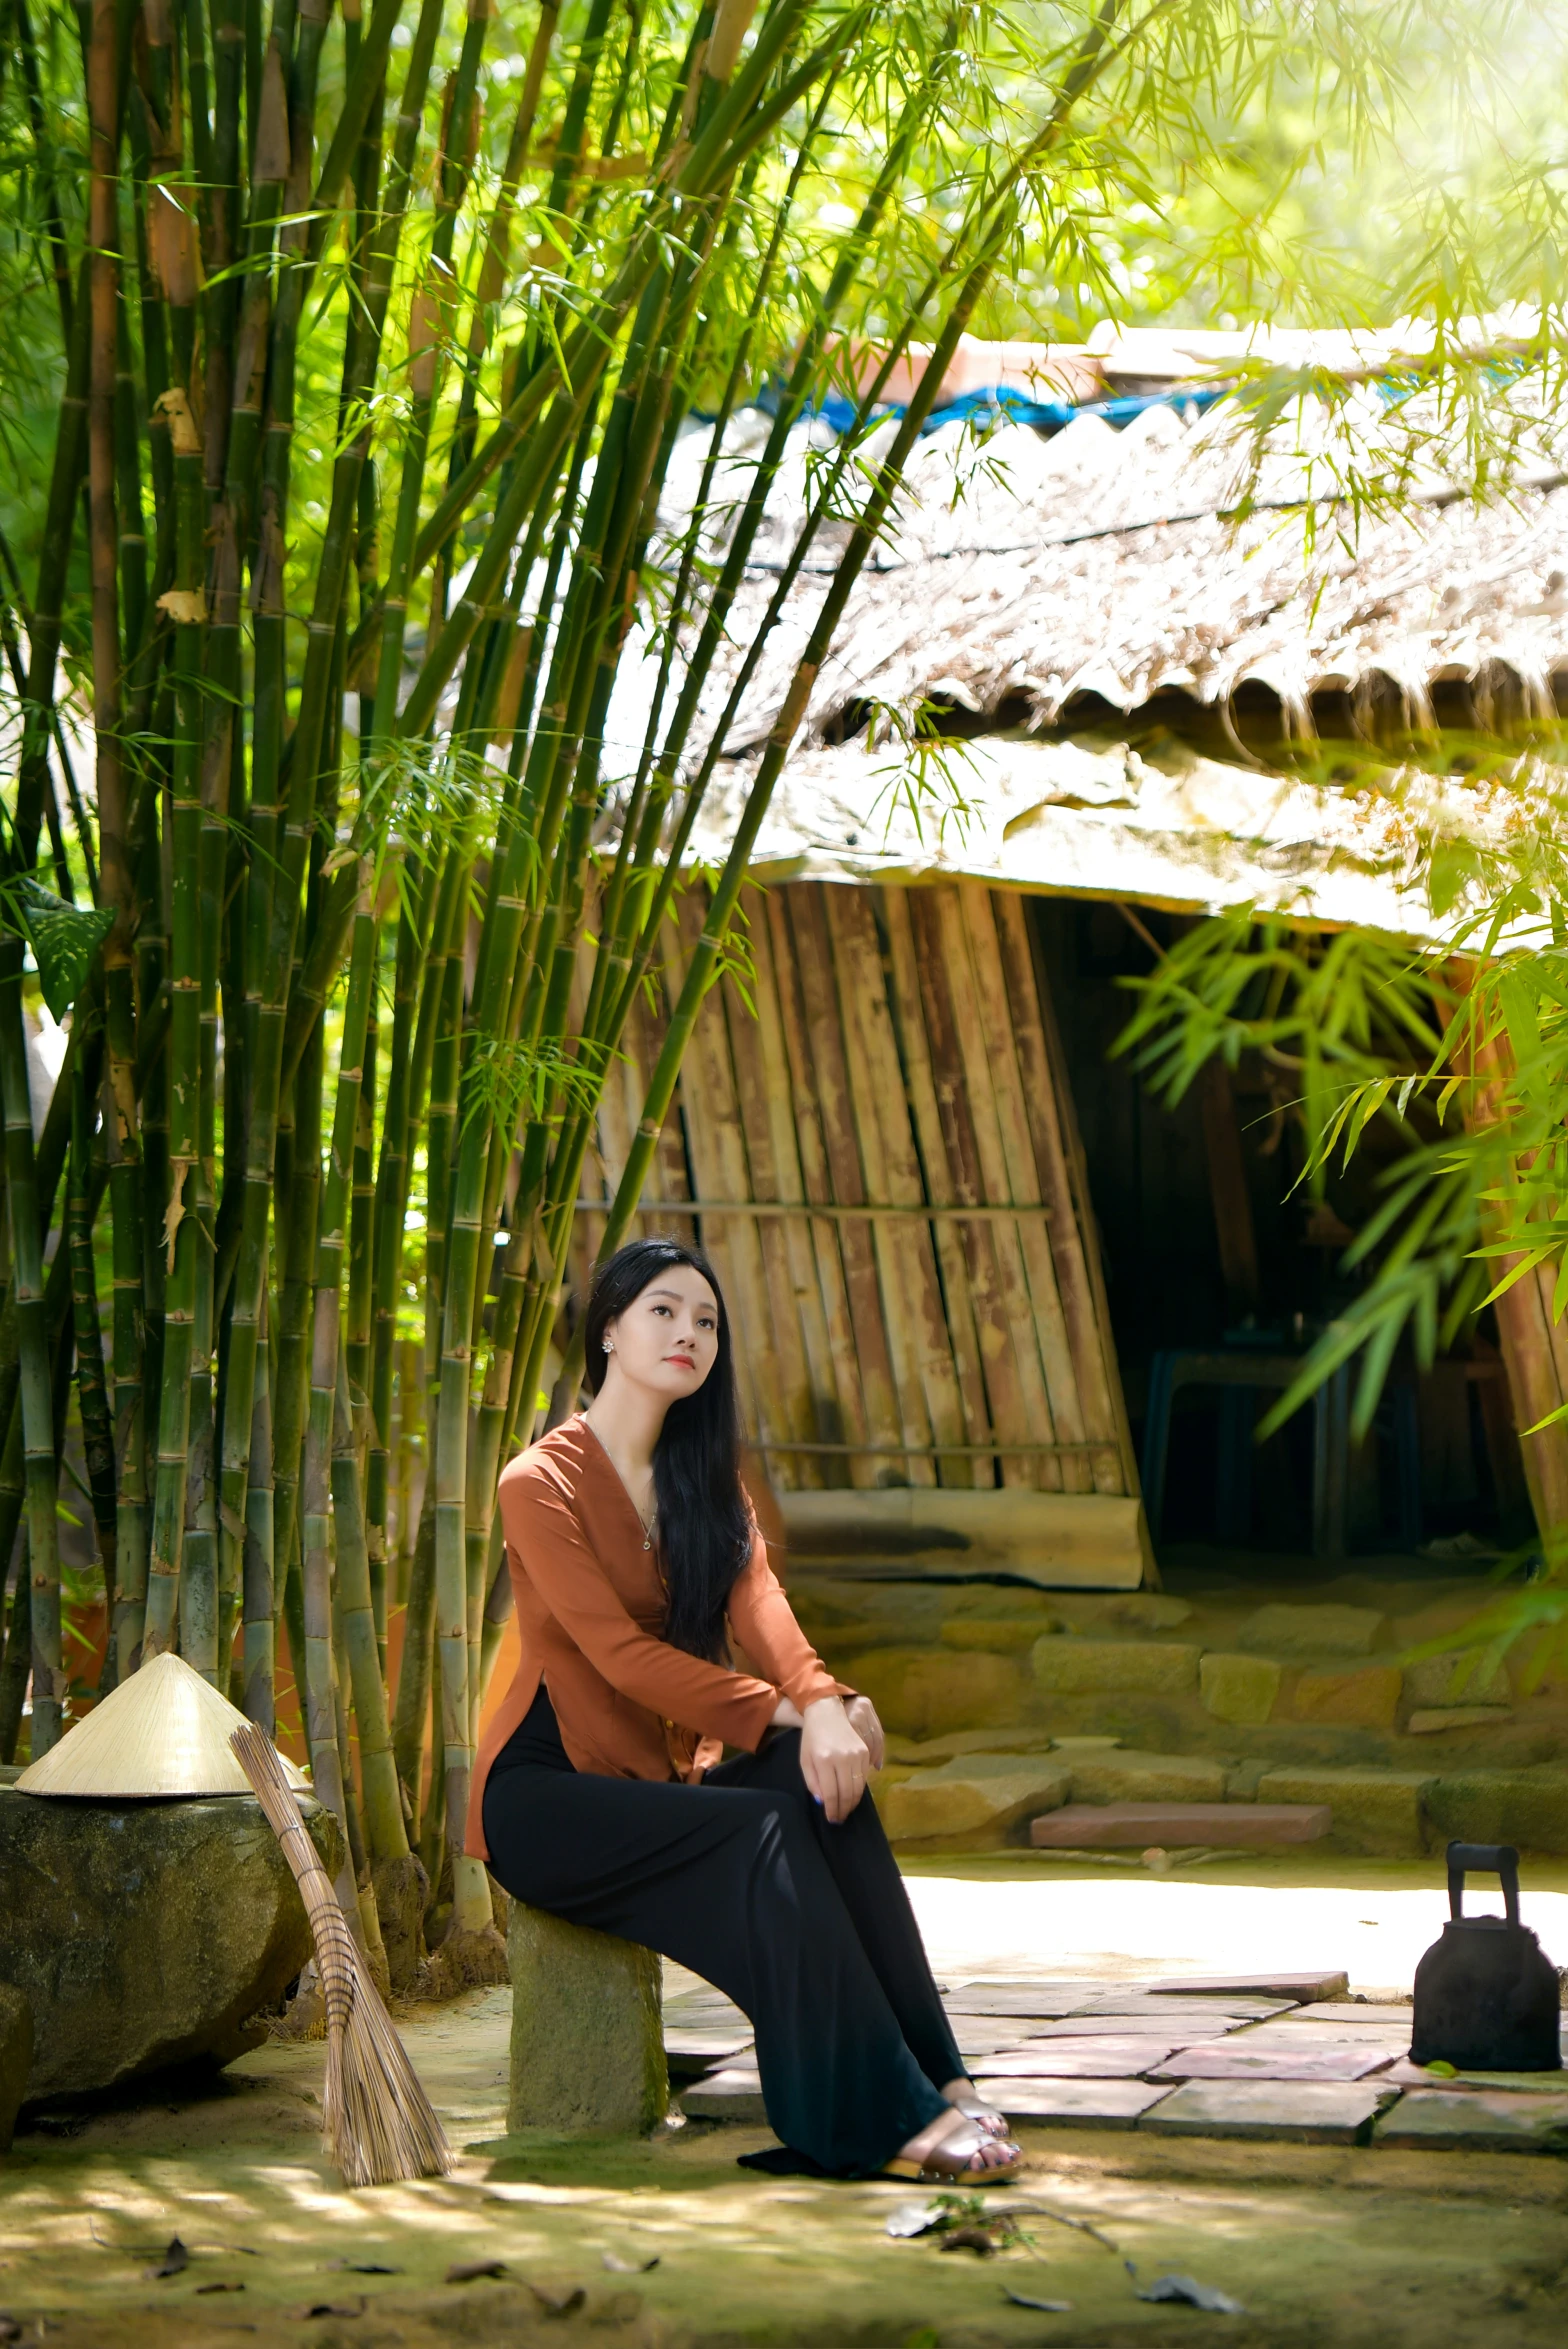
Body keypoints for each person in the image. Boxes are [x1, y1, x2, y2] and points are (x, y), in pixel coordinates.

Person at [469, 1236, 1021, 2181]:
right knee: (761, 1826)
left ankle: (939, 2077)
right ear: (609, 1329)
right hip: (547, 1796)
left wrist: (827, 1700)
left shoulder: (705, 1487)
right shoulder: (540, 1483)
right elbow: (620, 1655)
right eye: (663, 1310)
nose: (689, 1331)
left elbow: (763, 1610)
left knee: (819, 1798)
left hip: (653, 1780)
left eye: (707, 1320)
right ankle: (876, 2120)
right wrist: (787, 1712)